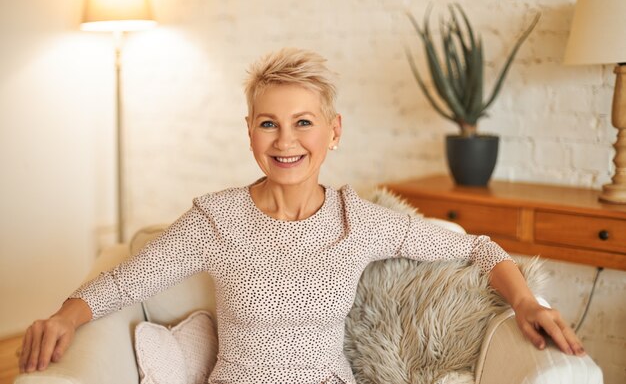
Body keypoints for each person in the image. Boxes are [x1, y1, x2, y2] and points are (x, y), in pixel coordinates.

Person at [19, 47, 585, 383]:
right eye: (268, 123)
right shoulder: (216, 219)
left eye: (303, 122)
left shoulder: (358, 220)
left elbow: (475, 247)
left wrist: (526, 301)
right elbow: (126, 279)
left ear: (333, 132)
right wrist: (65, 318)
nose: (285, 140)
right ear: (249, 132)